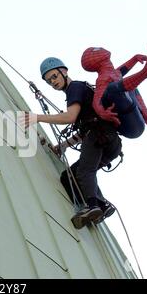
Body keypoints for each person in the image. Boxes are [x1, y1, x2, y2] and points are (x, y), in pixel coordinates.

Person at [21, 57, 121, 229]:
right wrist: (63, 146)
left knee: (84, 171)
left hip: (99, 137)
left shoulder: (74, 88)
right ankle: (102, 205)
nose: (53, 82)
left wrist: (37, 118)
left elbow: (70, 117)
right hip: (109, 142)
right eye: (49, 81)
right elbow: (84, 127)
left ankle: (92, 207)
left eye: (54, 76)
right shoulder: (82, 89)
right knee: (69, 177)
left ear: (64, 71)